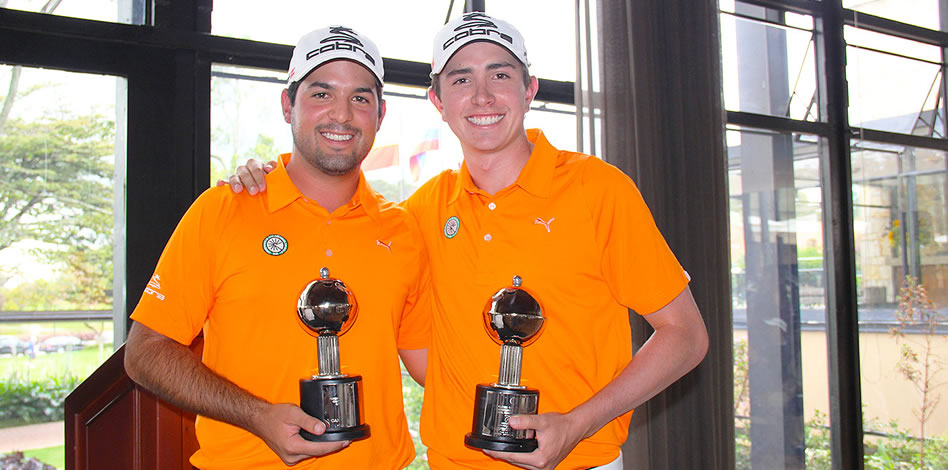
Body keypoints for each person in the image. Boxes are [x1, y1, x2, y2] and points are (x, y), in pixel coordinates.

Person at [224, 12, 709, 470]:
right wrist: (270, 178)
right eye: (460, 79)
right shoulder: (422, 212)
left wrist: (578, 423)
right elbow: (407, 338)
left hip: (578, 459)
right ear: (438, 102)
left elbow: (685, 336)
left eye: (499, 75)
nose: (481, 97)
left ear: (529, 90)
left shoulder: (599, 190)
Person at [125, 25, 430, 470]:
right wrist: (258, 417)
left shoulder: (402, 229)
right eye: (321, 94)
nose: (342, 116)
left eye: (360, 98)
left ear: (380, 114)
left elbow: (431, 363)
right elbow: (145, 351)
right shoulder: (224, 210)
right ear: (288, 105)